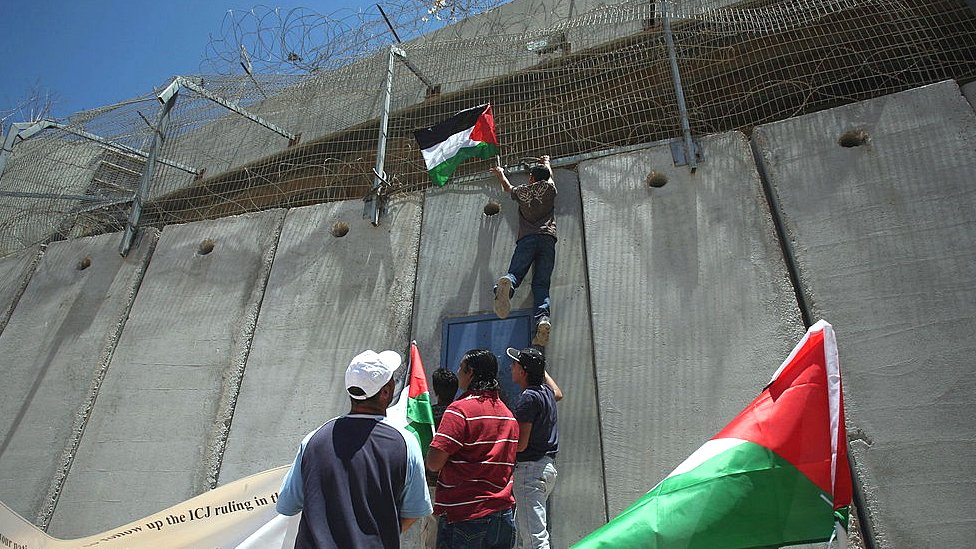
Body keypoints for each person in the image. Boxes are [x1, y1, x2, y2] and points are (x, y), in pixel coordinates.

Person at [276, 349, 432, 548]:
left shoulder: (313, 440)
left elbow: (287, 505)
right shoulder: (405, 443)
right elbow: (414, 510)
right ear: (385, 392)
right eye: (392, 380)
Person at [426, 349, 519, 549]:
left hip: (465, 516)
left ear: (470, 372)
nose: (458, 371)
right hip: (503, 516)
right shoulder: (509, 416)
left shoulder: (459, 410)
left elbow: (434, 463)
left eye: (461, 367)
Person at [489, 155, 557, 347]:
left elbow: (507, 188)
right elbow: (549, 177)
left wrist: (501, 173)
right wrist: (547, 163)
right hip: (548, 239)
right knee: (541, 285)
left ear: (531, 178)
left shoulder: (522, 191)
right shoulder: (550, 188)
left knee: (516, 273)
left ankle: (507, 286)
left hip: (527, 238)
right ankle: (542, 319)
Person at [507, 347, 563, 549]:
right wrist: (540, 370)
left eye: (514, 364)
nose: (510, 367)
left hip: (530, 472)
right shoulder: (546, 392)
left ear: (523, 371)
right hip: (546, 470)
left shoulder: (528, 398)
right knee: (524, 537)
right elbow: (559, 393)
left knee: (534, 540)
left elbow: (521, 445)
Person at [421, 367, 459, 548]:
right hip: (455, 483)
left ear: (435, 391)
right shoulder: (459, 414)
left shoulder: (427, 416)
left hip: (431, 482)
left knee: (430, 532)